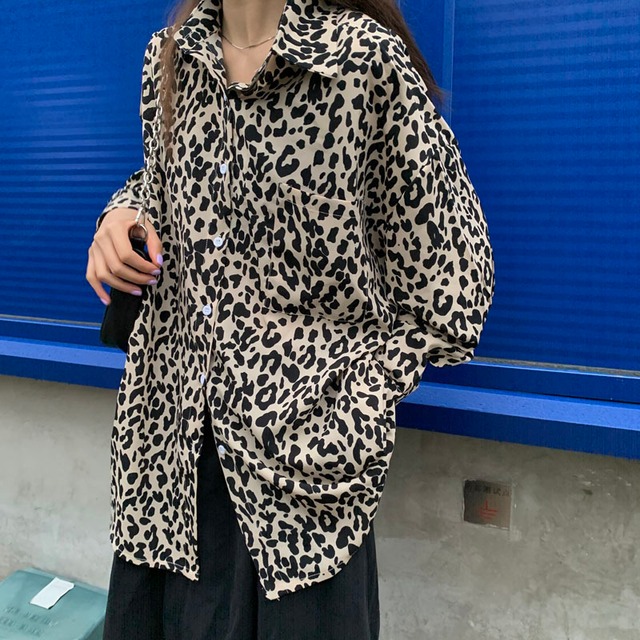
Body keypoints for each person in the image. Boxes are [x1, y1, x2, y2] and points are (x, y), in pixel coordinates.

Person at [86, 0, 495, 637]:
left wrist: (344, 411)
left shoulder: (361, 63)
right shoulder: (169, 59)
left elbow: (455, 288)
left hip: (301, 497)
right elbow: (172, 185)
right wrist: (124, 212)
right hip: (168, 468)